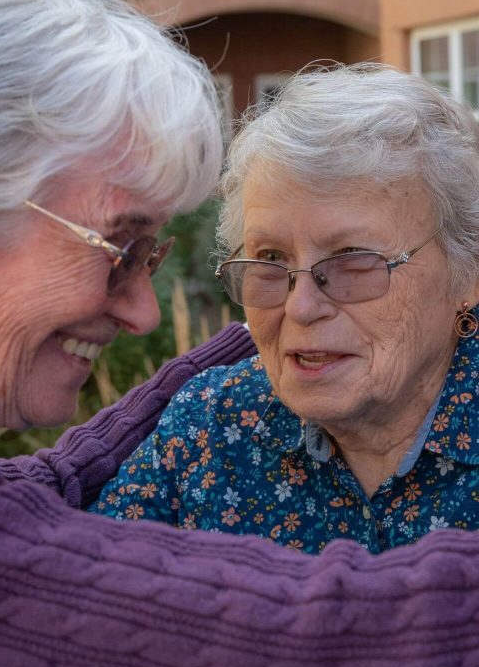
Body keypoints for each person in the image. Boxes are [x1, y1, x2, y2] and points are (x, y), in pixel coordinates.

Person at [0, 0, 479, 667]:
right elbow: (337, 638)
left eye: (352, 264)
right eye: (120, 246)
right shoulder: (208, 430)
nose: (143, 313)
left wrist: (110, 433)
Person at [90, 64, 479, 555]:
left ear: (466, 274)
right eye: (270, 259)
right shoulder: (208, 429)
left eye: (351, 260)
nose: (301, 306)